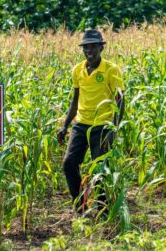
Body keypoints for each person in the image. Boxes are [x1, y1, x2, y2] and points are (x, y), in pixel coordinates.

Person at [57, 29, 125, 215]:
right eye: (86, 47)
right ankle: (80, 205)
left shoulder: (111, 70)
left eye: (94, 46)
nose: (90, 50)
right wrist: (65, 125)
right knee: (69, 163)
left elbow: (121, 100)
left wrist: (113, 128)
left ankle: (103, 209)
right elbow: (75, 99)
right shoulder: (78, 70)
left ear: (101, 48)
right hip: (81, 124)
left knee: (100, 169)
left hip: (102, 126)